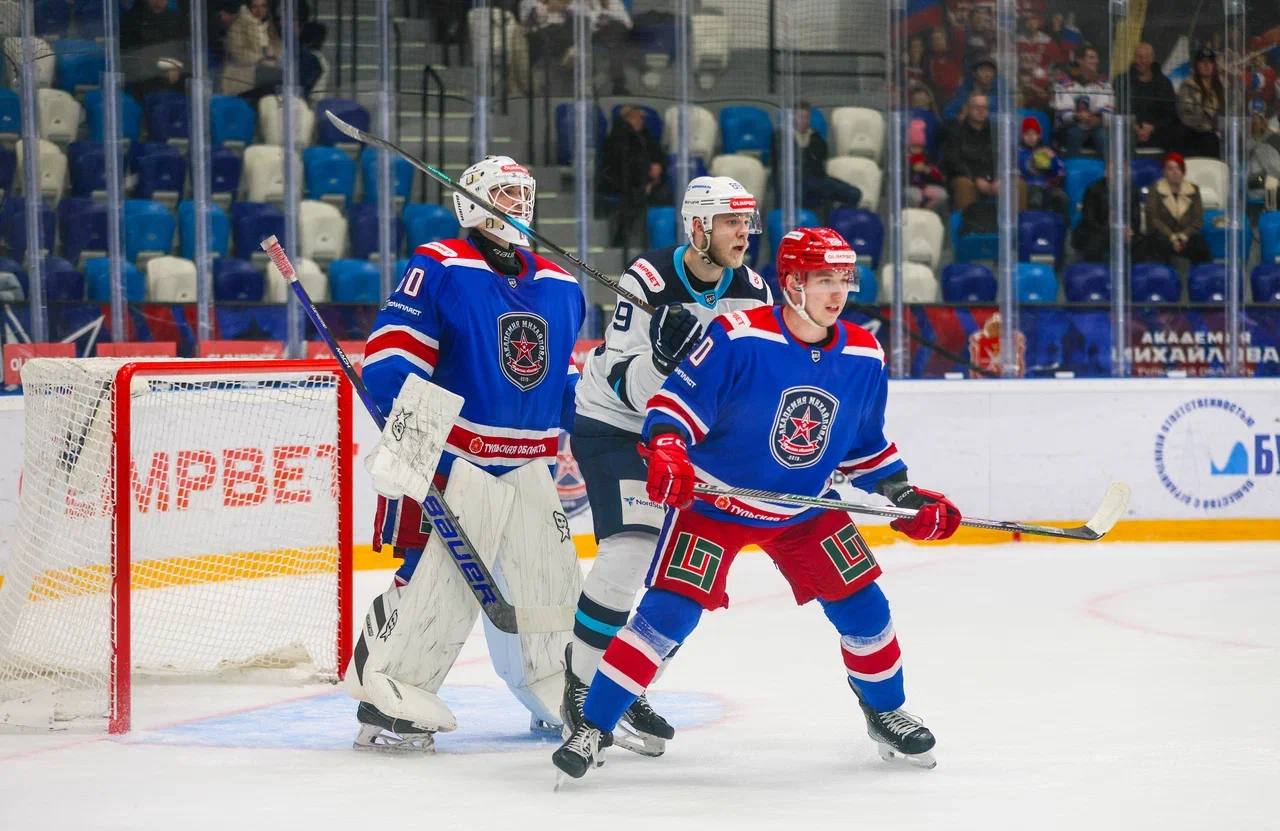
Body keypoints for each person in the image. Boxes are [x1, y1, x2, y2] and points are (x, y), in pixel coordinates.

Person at [552, 227, 962, 781]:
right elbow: (672, 407)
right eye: (824, 279)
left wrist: (904, 494)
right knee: (666, 616)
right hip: (715, 503)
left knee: (866, 608)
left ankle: (886, 711)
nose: (838, 292)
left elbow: (865, 446)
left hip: (803, 506)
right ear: (792, 284)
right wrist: (668, 449)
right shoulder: (737, 336)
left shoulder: (863, 353)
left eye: (844, 279)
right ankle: (592, 726)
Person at [348, 156, 586, 751]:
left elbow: (564, 382)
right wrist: (418, 449)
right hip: (457, 459)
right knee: (435, 580)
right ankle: (389, 690)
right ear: (470, 203)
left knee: (549, 582)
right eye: (503, 193)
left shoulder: (561, 284)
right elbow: (392, 359)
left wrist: (611, 420)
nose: (518, 204)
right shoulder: (441, 264)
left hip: (530, 464)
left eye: (524, 193)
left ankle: (551, 681)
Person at [565, 175, 771, 756]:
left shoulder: (753, 290)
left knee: (684, 574)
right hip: (618, 425)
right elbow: (623, 383)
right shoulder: (648, 280)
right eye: (731, 222)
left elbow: (755, 379)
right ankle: (581, 688)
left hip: (688, 434)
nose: (743, 234)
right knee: (632, 546)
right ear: (698, 226)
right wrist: (660, 358)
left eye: (746, 222)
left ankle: (622, 684)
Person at [599, 106, 670, 251]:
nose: (640, 121)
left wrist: (658, 167)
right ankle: (623, 240)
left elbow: (659, 155)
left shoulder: (645, 136)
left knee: (664, 195)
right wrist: (646, 177)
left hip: (644, 182)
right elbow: (622, 166)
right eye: (636, 118)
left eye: (641, 118)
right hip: (623, 183)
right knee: (634, 198)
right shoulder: (618, 138)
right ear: (627, 119)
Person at [774, 102, 862, 218]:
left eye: (806, 117)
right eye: (800, 117)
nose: (803, 121)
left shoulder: (816, 138)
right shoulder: (782, 137)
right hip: (793, 184)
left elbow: (820, 161)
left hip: (816, 181)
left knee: (854, 194)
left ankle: (837, 217)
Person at [1140, 151, 1211, 266]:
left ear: (1183, 172)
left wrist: (1183, 236)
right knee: (1154, 244)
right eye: (1170, 169)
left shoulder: (1194, 189)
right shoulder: (1155, 189)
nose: (1175, 172)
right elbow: (1154, 219)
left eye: (1178, 168)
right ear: (1164, 172)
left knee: (1200, 245)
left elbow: (1198, 219)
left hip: (1186, 236)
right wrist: (1172, 237)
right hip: (1163, 235)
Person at [120, 0, 189, 102]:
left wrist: (177, 67)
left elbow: (184, 52)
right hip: (145, 82)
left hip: (176, 80)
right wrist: (166, 66)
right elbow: (133, 56)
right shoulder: (133, 19)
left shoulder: (177, 20)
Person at [1053, 44, 1113, 157]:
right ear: (1080, 60)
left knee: (1103, 136)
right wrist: (1077, 116)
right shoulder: (1064, 82)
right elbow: (1062, 113)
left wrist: (1098, 118)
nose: (1096, 61)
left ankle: (1108, 167)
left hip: (1097, 127)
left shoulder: (1103, 83)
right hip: (1071, 127)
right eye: (1091, 57)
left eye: (1096, 58)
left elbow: (1108, 110)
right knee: (1075, 133)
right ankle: (1072, 167)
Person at [941, 92, 997, 213]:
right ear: (967, 109)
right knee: (964, 185)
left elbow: (1002, 159)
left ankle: (1020, 223)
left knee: (1017, 184)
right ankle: (966, 224)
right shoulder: (956, 131)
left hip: (992, 178)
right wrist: (976, 179)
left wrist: (998, 178)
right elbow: (953, 162)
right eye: (977, 107)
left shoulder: (995, 133)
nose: (981, 111)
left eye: (984, 107)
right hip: (967, 177)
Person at [222, 0, 282, 101]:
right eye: (255, 7)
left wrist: (274, 58)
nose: (259, 10)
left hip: (267, 77)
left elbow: (278, 49)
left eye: (263, 6)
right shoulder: (238, 25)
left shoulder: (269, 26)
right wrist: (261, 59)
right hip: (244, 81)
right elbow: (238, 54)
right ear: (249, 8)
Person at [1127, 42, 1178, 152]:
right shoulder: (1123, 82)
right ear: (1134, 59)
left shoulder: (1164, 84)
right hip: (1129, 132)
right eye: (1139, 57)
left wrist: (1153, 127)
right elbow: (1118, 110)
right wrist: (1134, 127)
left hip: (1158, 133)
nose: (1142, 61)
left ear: (1153, 59)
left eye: (1146, 57)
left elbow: (1171, 114)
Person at [1176, 46, 1224, 158]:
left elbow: (1225, 113)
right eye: (1203, 62)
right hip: (1194, 136)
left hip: (1217, 137)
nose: (1207, 65)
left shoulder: (1219, 87)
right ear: (1196, 65)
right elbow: (1187, 117)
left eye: (1210, 62)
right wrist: (1210, 128)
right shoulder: (1187, 86)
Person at [1017, 116, 1068, 216]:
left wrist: (1052, 159)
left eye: (1034, 134)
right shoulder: (1018, 153)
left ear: (1039, 135)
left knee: (1061, 196)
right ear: (1022, 136)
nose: (1031, 137)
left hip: (1046, 187)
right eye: (1027, 134)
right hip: (1028, 189)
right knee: (1036, 195)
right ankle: (1035, 224)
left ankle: (1062, 225)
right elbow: (1019, 172)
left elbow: (1059, 172)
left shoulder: (1047, 150)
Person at [906, 118, 947, 211]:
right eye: (914, 147)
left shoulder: (927, 157)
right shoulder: (903, 158)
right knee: (916, 196)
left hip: (925, 186)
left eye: (920, 147)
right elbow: (900, 178)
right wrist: (911, 168)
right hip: (910, 187)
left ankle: (927, 211)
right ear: (908, 146)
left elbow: (938, 177)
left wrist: (928, 170)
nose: (917, 150)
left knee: (942, 194)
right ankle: (916, 214)